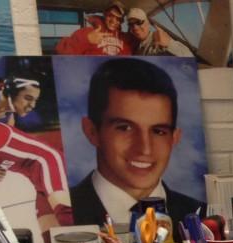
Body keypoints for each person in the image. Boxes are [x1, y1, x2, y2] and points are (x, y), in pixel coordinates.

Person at [69, 57, 204, 227]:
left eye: (158, 131)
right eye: (125, 128)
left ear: (174, 138)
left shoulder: (202, 215)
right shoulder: (59, 214)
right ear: (92, 131)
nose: (145, 149)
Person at [54, 2, 132, 56]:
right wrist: (86, 40)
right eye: (110, 15)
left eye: (118, 18)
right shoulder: (87, 32)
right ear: (104, 14)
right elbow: (61, 51)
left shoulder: (125, 38)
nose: (113, 21)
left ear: (121, 21)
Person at [125, 8, 194, 57]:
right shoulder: (137, 47)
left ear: (147, 23)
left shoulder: (158, 38)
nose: (135, 27)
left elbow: (189, 57)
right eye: (131, 24)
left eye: (138, 22)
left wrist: (169, 44)